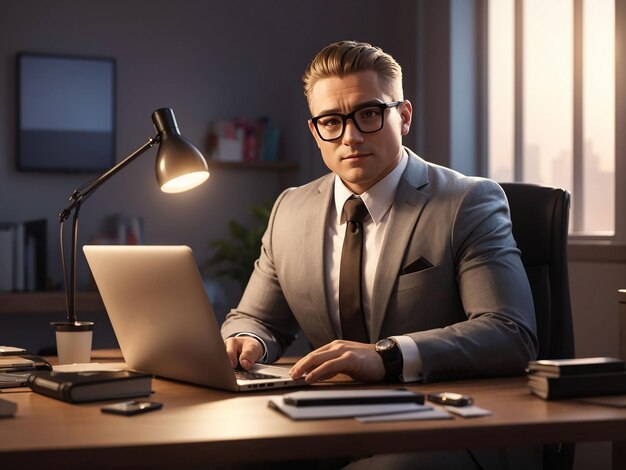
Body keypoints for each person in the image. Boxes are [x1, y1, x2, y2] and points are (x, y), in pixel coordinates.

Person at [221, 40, 540, 469]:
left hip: (441, 426)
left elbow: (509, 332)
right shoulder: (290, 210)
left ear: (403, 116)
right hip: (324, 425)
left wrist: (387, 355)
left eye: (368, 114)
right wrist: (247, 342)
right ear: (315, 132)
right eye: (332, 121)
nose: (350, 136)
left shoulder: (467, 202)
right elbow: (257, 319)